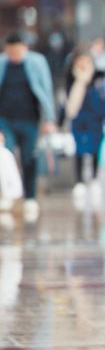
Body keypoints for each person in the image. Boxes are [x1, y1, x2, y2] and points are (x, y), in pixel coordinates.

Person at [0, 32, 56, 222]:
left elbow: (46, 88)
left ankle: (30, 197)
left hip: (30, 119)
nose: (15, 54)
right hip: (5, 119)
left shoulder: (37, 62)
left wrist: (49, 119)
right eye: (11, 51)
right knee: (5, 158)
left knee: (28, 158)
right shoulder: (2, 63)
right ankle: (7, 195)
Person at [63, 51, 105, 206]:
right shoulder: (72, 79)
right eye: (80, 60)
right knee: (78, 150)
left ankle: (94, 179)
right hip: (79, 120)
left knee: (95, 151)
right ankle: (79, 181)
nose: (83, 64)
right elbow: (67, 102)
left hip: (96, 120)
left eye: (86, 60)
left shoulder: (99, 79)